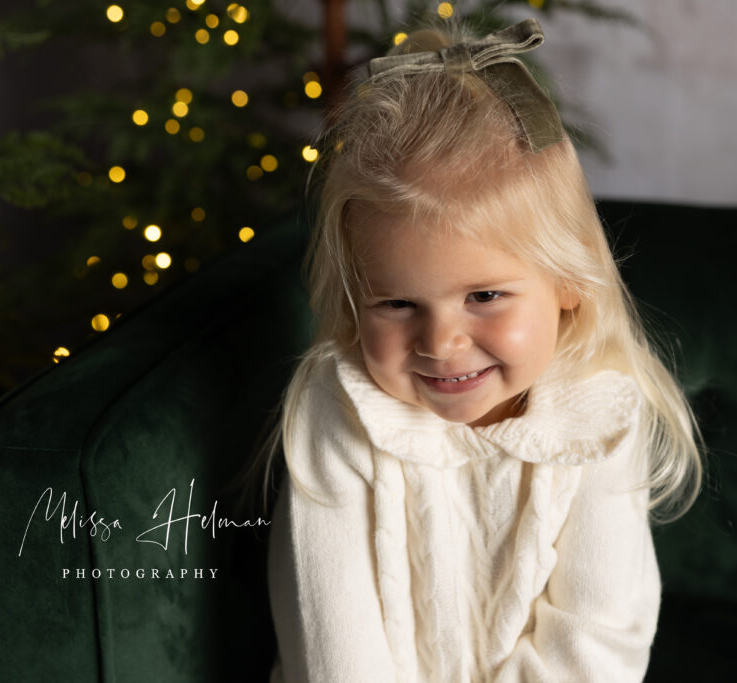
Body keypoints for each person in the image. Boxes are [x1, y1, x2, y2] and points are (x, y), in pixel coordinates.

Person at [261, 17, 701, 683]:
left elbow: (598, 640)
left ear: (569, 281)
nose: (440, 342)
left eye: (485, 296)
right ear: (355, 298)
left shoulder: (602, 412)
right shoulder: (340, 409)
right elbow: (330, 644)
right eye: (397, 303)